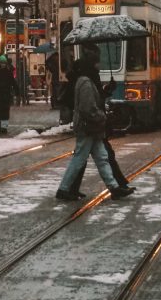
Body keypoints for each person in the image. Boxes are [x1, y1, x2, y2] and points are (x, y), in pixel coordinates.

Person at [55, 55, 134, 202]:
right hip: (88, 127)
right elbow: (88, 108)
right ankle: (64, 189)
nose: (98, 66)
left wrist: (106, 91)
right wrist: (102, 116)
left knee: (102, 157)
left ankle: (114, 187)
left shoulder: (88, 81)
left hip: (93, 127)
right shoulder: (85, 82)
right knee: (79, 158)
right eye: (96, 64)